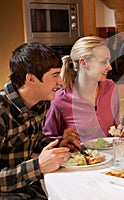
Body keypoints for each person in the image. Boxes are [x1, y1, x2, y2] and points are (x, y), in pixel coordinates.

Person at [0, 42, 75, 199]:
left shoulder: (42, 102)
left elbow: (33, 140)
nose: (60, 82)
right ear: (31, 79)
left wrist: (60, 144)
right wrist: (38, 166)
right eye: (55, 75)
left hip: (29, 189)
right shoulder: (2, 111)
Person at [43, 36, 124, 143]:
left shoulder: (111, 89)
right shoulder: (59, 100)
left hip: (109, 157)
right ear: (83, 63)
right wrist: (62, 140)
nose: (109, 67)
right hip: (77, 158)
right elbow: (47, 140)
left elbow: (114, 128)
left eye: (109, 61)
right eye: (103, 62)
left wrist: (120, 131)